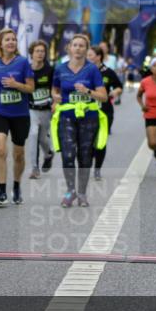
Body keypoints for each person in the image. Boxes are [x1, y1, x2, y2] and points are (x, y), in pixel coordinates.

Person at [51, 34, 108, 207]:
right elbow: (55, 90)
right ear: (69, 48)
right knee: (68, 155)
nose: (78, 48)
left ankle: (82, 193)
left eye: (82, 46)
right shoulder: (60, 69)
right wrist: (55, 98)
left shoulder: (92, 70)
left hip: (88, 117)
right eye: (75, 45)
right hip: (67, 116)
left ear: (86, 49)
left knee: (84, 157)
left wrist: (87, 91)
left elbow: (103, 96)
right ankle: (70, 192)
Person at [0, 28, 34, 206]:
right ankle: (2, 191)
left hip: (20, 114)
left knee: (18, 154)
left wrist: (15, 84)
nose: (11, 42)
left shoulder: (23, 62)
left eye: (13, 39)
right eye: (7, 40)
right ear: (0, 43)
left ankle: (17, 186)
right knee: (1, 149)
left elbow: (30, 88)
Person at [87, 45, 123, 181]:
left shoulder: (108, 72)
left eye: (90, 55)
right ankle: (87, 163)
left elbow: (119, 86)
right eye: (87, 55)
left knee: (101, 141)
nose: (88, 58)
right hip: (88, 111)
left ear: (98, 57)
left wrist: (115, 92)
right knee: (88, 141)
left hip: (105, 111)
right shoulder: (83, 71)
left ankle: (97, 169)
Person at [27, 40, 55, 179]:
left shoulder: (49, 70)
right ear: (31, 53)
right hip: (31, 109)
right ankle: (34, 168)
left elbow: (55, 89)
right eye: (37, 51)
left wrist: (55, 102)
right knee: (33, 135)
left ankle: (48, 153)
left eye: (42, 51)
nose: (40, 54)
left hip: (46, 109)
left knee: (43, 138)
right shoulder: (26, 69)